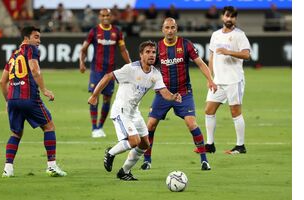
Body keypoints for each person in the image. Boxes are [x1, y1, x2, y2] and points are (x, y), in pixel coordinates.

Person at [88, 41, 182, 181]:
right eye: (148, 52)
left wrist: (173, 97)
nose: (151, 55)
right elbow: (108, 76)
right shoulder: (130, 69)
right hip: (121, 111)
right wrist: (95, 96)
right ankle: (111, 152)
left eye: (153, 52)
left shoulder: (155, 74)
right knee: (134, 141)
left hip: (134, 112)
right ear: (141, 55)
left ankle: (124, 172)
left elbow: (164, 92)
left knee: (144, 144)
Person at [140, 18, 217, 171]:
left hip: (183, 92)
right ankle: (147, 160)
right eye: (167, 27)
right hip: (163, 93)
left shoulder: (185, 44)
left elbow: (200, 63)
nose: (170, 30)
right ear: (163, 29)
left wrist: (210, 80)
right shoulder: (158, 48)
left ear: (176, 28)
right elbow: (148, 67)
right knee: (150, 125)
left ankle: (204, 160)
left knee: (191, 123)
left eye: (172, 27)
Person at [0, 26, 67, 177]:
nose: (39, 41)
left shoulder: (13, 55)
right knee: (49, 127)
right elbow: (35, 70)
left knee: (15, 133)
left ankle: (8, 169)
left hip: (13, 99)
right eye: (36, 37)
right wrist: (44, 90)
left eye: (39, 37)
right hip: (29, 97)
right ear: (26, 38)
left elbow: (2, 82)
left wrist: (7, 101)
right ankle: (51, 166)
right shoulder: (30, 49)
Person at [204, 6, 251, 154]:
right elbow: (211, 57)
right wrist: (210, 77)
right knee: (209, 110)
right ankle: (210, 145)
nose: (229, 19)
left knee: (235, 111)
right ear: (222, 17)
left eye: (232, 17)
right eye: (227, 16)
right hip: (218, 81)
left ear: (235, 19)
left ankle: (240, 145)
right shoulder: (215, 35)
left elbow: (246, 54)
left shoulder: (239, 35)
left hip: (234, 80)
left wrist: (228, 51)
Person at [80, 8, 131, 138]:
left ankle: (100, 127)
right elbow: (84, 48)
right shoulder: (94, 31)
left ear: (111, 16)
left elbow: (123, 49)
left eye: (108, 15)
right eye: (103, 15)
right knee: (94, 96)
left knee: (107, 98)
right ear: (99, 17)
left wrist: (130, 64)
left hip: (111, 72)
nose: (106, 17)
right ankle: (94, 128)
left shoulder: (116, 32)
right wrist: (82, 62)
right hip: (97, 70)